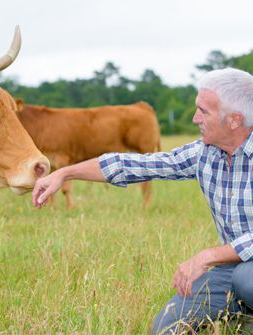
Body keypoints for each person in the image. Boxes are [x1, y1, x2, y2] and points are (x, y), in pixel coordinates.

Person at [32, 68, 253, 334]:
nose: (195, 119)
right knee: (166, 328)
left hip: (242, 273)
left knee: (245, 279)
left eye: (203, 112)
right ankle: (240, 314)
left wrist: (208, 256)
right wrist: (66, 172)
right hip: (232, 270)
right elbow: (137, 164)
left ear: (234, 120)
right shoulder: (205, 153)